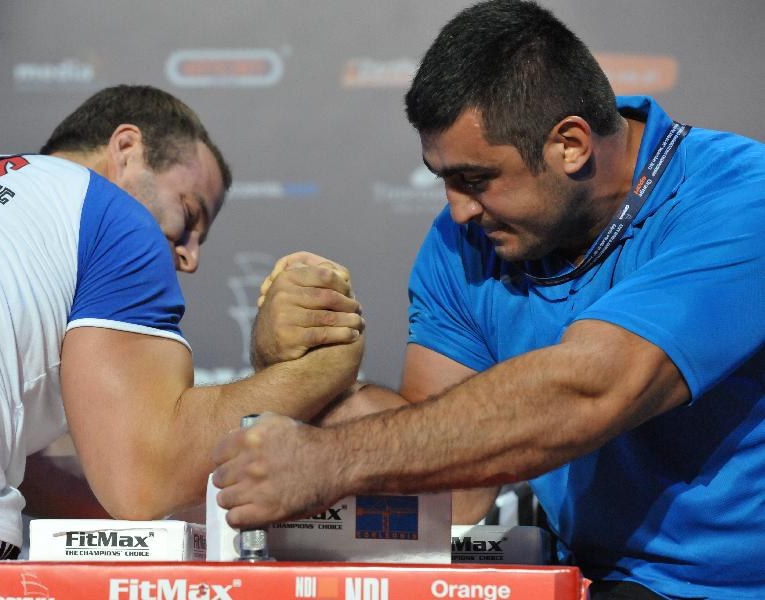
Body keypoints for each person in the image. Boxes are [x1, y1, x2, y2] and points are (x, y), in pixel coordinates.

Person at [212, 2, 765, 598]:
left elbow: (592, 389)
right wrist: (288, 358)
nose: (457, 210)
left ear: (570, 145)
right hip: (593, 579)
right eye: (444, 179)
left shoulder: (739, 198)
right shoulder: (463, 242)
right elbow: (452, 474)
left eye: (475, 179)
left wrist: (328, 461)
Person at [0, 85, 364, 598]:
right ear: (127, 150)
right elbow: (143, 482)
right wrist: (327, 363)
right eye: (189, 215)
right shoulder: (114, 218)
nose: (190, 256)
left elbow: (39, 473)